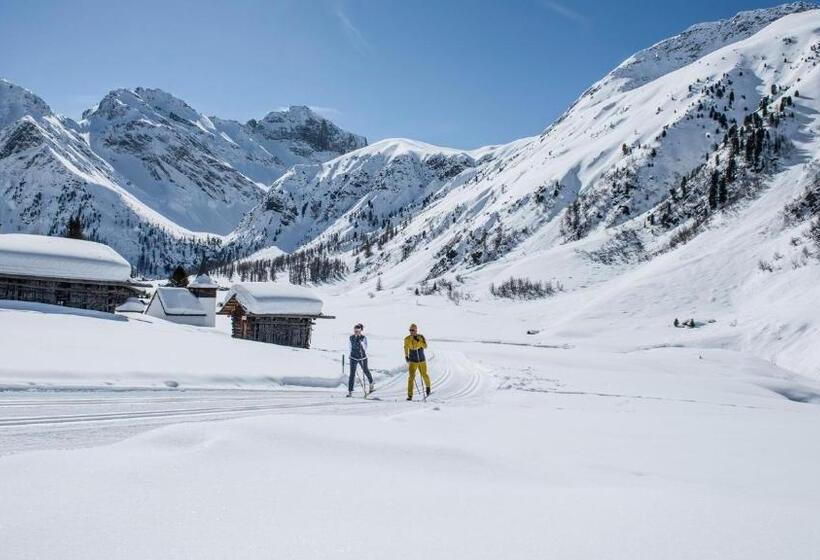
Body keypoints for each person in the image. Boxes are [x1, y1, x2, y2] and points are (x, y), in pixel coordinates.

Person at [404, 323, 431, 401]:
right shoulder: (407, 339)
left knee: (424, 375)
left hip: (421, 360)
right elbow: (405, 347)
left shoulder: (420, 337)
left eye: (413, 330)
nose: (411, 332)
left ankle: (428, 387)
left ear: (416, 330)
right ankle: (410, 395)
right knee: (411, 378)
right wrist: (406, 356)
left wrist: (419, 341)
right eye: (410, 330)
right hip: (412, 360)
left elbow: (425, 346)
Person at [348, 323, 374, 397]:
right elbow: (350, 346)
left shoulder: (363, 338)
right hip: (353, 357)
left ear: (360, 331)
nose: (356, 332)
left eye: (357, 331)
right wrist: (351, 354)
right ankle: (350, 391)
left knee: (365, 370)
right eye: (355, 331)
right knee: (352, 374)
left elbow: (365, 347)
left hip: (362, 357)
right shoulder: (351, 337)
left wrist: (361, 342)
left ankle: (371, 383)